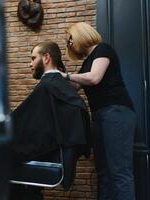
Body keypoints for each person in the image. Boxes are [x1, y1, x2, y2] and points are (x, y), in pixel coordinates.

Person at [62, 22, 136, 200]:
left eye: (71, 39)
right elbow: (75, 86)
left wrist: (67, 76)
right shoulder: (87, 62)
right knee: (103, 172)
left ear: (81, 34)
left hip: (116, 112)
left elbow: (94, 78)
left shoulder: (103, 49)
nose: (70, 44)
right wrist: (55, 76)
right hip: (99, 115)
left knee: (120, 172)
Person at [10, 41, 91, 200]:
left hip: (41, 156)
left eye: (33, 58)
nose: (30, 63)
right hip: (50, 154)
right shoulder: (59, 86)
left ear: (46, 58)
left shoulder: (47, 86)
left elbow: (26, 124)